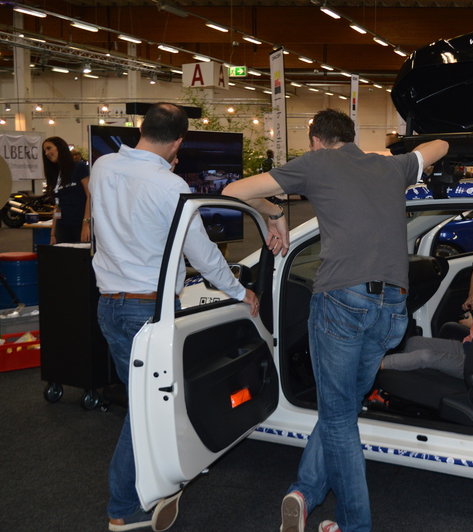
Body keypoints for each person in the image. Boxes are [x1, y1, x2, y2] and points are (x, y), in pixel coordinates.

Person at [222, 108, 448, 532]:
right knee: (340, 410)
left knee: (340, 417)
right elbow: (441, 145)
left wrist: (275, 213)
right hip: (392, 309)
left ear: (315, 140)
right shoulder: (391, 166)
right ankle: (305, 491)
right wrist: (394, 153)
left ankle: (354, 525)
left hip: (342, 300)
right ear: (352, 136)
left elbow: (234, 190)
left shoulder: (316, 163)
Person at [90, 103, 272, 532]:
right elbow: (203, 254)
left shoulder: (102, 167)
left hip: (108, 305)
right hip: (149, 311)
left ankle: (160, 480)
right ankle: (124, 506)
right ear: (178, 142)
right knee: (145, 410)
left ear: (141, 128)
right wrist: (240, 291)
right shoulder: (170, 186)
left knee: (145, 403)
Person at [380, 240, 473, 378]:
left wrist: (471, 324)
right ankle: (404, 377)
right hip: (469, 347)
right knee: (414, 343)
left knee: (425, 356)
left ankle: (375, 365)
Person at [43, 137, 90, 244]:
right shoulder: (56, 174)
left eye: (49, 148)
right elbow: (57, 206)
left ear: (60, 147)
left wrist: (86, 224)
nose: (46, 153)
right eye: (45, 151)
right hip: (62, 228)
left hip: (80, 226)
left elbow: (90, 195)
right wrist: (53, 234)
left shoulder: (79, 167)